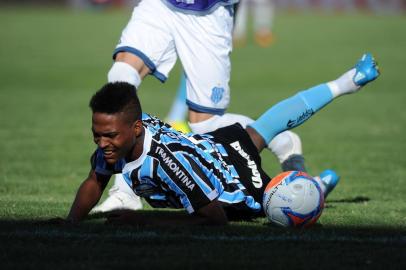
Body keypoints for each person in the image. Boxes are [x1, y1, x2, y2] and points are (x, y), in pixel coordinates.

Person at [63, 53, 379, 225]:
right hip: (213, 147)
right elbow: (95, 179)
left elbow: (213, 217)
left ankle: (315, 190)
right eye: (97, 135)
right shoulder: (118, 137)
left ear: (135, 129)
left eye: (109, 135)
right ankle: (346, 83)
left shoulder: (165, 164)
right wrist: (71, 221)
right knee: (263, 127)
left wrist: (145, 220)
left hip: (233, 186)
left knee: (282, 203)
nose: (102, 142)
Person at [92, 0, 309, 214]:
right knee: (120, 79)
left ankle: (282, 141)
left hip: (209, 10)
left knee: (206, 125)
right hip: (161, 5)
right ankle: (124, 194)